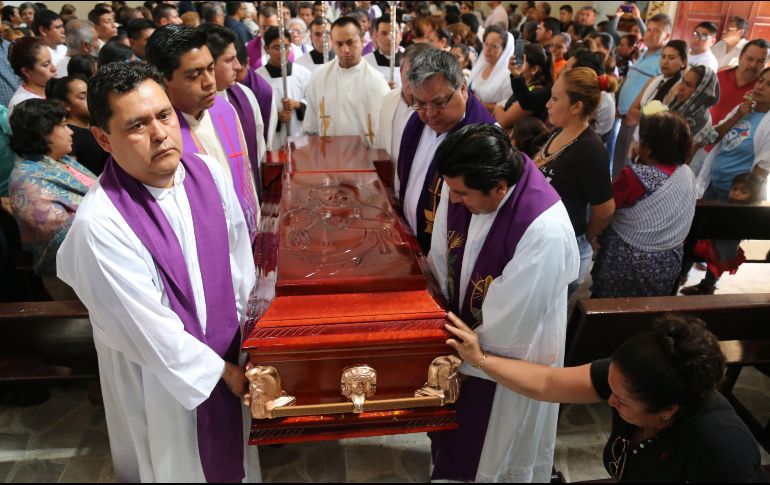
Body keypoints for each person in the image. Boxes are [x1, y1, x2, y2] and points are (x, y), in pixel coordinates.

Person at [56, 62, 260, 483]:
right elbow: (147, 329)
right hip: (162, 383)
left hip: (231, 357)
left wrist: (250, 343)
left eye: (164, 115)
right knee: (176, 466)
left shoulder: (209, 174)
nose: (160, 133)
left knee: (237, 461)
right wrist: (222, 372)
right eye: (137, 125)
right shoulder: (102, 224)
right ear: (103, 139)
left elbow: (241, 266)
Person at [444, 312, 768, 482]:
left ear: (668, 410)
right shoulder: (632, 374)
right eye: (610, 388)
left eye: (622, 401)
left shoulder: (721, 448)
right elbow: (547, 382)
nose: (609, 401)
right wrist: (480, 359)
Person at [428, 123, 578, 482]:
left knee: (494, 452)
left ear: (499, 187)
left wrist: (456, 353)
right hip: (464, 339)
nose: (454, 201)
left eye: (462, 194)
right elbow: (439, 259)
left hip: (511, 358)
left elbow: (507, 332)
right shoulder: (470, 186)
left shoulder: (544, 230)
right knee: (455, 446)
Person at [146, 25, 261, 243]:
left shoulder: (224, 109)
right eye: (194, 75)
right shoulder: (159, 136)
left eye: (210, 68)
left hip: (245, 236)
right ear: (163, 80)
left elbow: (243, 175)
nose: (209, 82)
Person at [397, 48, 496, 254]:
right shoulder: (417, 121)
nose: (430, 114)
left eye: (440, 102)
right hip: (411, 243)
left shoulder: (485, 140)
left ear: (462, 88)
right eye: (421, 103)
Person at [683, 67, 770, 295]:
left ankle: (708, 285)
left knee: (724, 243)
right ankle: (681, 272)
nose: (760, 86)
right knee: (696, 232)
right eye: (760, 81)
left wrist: (743, 195)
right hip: (714, 183)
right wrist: (738, 115)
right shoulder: (743, 110)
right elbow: (714, 136)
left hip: (737, 195)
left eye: (768, 85)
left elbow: (763, 167)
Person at [591, 112, 697, 298]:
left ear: (649, 147)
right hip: (666, 263)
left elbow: (605, 209)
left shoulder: (634, 176)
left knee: (607, 304)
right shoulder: (687, 174)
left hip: (626, 262)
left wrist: (591, 235)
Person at [535, 67, 615, 295]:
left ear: (577, 106)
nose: (548, 104)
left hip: (564, 253)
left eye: (555, 98)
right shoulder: (558, 131)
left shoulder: (590, 148)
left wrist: (584, 236)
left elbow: (606, 209)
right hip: (543, 245)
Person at [8, 99, 96, 300]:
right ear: (44, 132)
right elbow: (61, 236)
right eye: (64, 126)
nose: (71, 132)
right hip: (71, 278)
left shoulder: (62, 161)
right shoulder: (26, 181)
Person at [199, 24, 268, 200]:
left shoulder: (245, 95)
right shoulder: (194, 108)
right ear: (209, 64)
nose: (238, 66)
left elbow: (259, 150)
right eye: (229, 60)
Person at [302, 17, 389, 139]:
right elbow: (311, 125)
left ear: (361, 41)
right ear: (332, 42)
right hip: (328, 153)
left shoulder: (376, 82)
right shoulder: (319, 77)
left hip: (364, 155)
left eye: (350, 42)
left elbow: (385, 131)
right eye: (339, 44)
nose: (345, 49)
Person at [614, 14, 672, 180]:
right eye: (649, 30)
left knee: (628, 166)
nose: (650, 34)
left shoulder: (663, 60)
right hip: (625, 116)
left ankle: (622, 203)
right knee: (619, 161)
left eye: (657, 31)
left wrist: (636, 115)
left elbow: (658, 95)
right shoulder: (644, 53)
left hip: (638, 121)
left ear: (666, 36)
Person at [690, 172, 764, 284]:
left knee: (697, 250)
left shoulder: (743, 212)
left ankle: (705, 284)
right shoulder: (724, 204)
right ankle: (705, 284)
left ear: (752, 195)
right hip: (718, 247)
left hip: (722, 248)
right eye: (735, 189)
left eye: (743, 192)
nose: (737, 193)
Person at [257, 26, 311, 149]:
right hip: (274, 140)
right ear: (266, 49)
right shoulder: (259, 78)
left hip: (299, 134)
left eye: (286, 46)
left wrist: (297, 104)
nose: (282, 52)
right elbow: (256, 111)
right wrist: (276, 116)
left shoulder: (303, 73)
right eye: (277, 47)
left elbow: (313, 102)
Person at [378, 43, 431, 168]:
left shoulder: (432, 110)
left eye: (420, 76)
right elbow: (381, 140)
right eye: (409, 75)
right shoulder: (390, 98)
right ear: (401, 72)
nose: (414, 83)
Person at [46, 76, 109, 175]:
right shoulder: (68, 135)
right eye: (83, 97)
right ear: (65, 105)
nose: (91, 99)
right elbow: (72, 174)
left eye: (90, 94)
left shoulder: (96, 122)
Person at [627, 40, 688, 131]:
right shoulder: (654, 80)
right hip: (640, 132)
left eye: (671, 58)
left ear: (683, 62)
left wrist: (642, 116)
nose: (665, 62)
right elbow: (631, 111)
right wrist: (649, 118)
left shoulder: (679, 87)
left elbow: (663, 122)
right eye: (663, 57)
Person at [710, 39, 769, 128]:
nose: (753, 65)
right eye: (749, 59)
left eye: (761, 61)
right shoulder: (718, 77)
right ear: (740, 57)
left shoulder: (763, 90)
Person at [493, 43, 552, 129]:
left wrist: (498, 106)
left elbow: (503, 121)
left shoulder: (534, 93)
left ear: (534, 69)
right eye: (517, 58)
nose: (517, 63)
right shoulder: (525, 86)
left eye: (522, 60)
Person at [669, 65, 720, 153]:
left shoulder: (700, 119)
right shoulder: (677, 105)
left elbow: (684, 158)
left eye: (688, 85)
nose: (681, 88)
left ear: (701, 92)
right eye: (683, 81)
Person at [468, 25, 514, 112]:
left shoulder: (508, 77)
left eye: (494, 46)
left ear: (504, 50)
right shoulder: (482, 66)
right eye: (486, 44)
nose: (487, 49)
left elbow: (506, 108)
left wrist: (479, 103)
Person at [7, 37, 57, 115]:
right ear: (26, 71)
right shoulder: (23, 105)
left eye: (51, 62)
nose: (54, 68)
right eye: (46, 65)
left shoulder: (54, 90)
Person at [364, 15, 403, 88]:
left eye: (394, 32)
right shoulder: (366, 63)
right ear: (376, 36)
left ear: (401, 35)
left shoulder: (410, 60)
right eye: (384, 33)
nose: (389, 38)